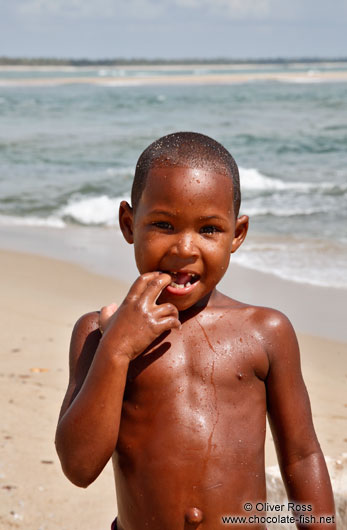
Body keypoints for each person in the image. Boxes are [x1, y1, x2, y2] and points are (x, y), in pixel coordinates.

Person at [55, 132, 336, 529]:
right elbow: (79, 467)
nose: (185, 248)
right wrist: (117, 350)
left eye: (208, 230)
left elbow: (302, 457)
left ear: (236, 234)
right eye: (164, 224)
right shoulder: (99, 334)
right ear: (128, 223)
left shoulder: (265, 332)